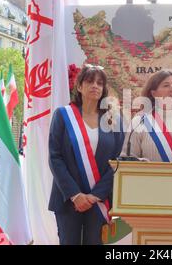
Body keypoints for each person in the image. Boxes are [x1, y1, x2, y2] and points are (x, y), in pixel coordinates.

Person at [48, 64, 124, 245]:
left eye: (100, 83)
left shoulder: (114, 120)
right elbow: (54, 157)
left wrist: (95, 195)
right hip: (68, 200)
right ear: (79, 86)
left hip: (99, 200)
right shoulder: (62, 115)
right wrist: (75, 195)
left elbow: (117, 161)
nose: (95, 86)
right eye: (90, 81)